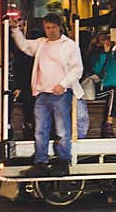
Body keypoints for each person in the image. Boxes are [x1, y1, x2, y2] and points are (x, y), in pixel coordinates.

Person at [9, 12, 84, 177]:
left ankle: (63, 161)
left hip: (60, 93)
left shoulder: (69, 45)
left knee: (62, 130)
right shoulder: (41, 43)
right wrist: (15, 30)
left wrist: (62, 85)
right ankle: (41, 162)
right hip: (42, 93)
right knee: (40, 130)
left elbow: (77, 70)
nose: (50, 31)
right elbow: (25, 46)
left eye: (53, 27)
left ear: (59, 27)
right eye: (47, 28)